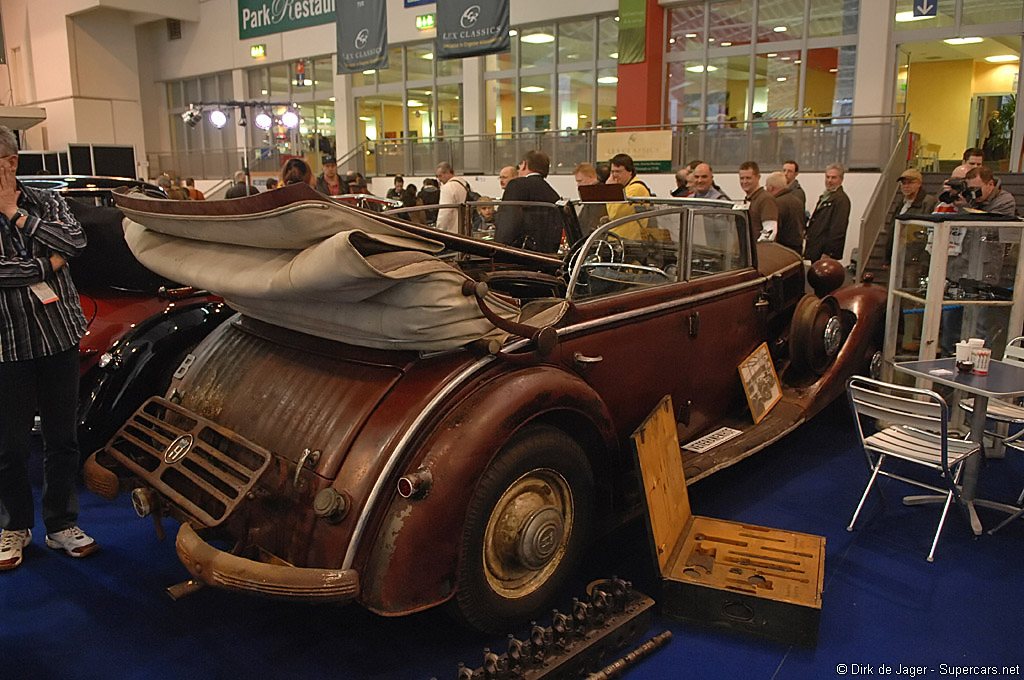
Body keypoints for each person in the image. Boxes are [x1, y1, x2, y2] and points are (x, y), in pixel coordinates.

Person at [0, 125, 98, 570]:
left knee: (63, 439)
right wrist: (46, 263)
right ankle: (14, 526)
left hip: (58, 336)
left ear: (11, 163)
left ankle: (60, 523)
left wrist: (16, 215)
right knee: (9, 447)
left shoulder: (46, 200)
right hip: (6, 346)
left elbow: (76, 242)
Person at [495, 150, 562, 253]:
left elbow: (507, 222)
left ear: (524, 165)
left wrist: (497, 250)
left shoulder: (517, 185)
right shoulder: (553, 194)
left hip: (519, 255)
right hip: (546, 256)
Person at [803, 162, 851, 262]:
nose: (829, 180)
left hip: (824, 253)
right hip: (816, 250)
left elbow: (838, 229)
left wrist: (828, 253)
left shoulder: (841, 200)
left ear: (841, 179)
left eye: (833, 178)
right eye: (827, 177)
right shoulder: (825, 197)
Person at [604, 153, 654, 240]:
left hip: (630, 242)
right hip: (617, 239)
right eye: (612, 172)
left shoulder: (636, 188)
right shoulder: (624, 188)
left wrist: (611, 189)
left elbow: (614, 214)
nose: (614, 175)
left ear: (630, 171)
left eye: (618, 171)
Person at [738, 161, 779, 243]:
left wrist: (759, 250)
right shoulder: (748, 199)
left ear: (758, 177)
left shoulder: (766, 199)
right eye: (742, 178)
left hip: (759, 253)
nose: (744, 182)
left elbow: (769, 231)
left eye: (748, 178)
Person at [765, 171, 805, 252]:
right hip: (797, 249)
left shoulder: (775, 204)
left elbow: (772, 230)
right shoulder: (797, 201)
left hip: (781, 250)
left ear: (771, 187)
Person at [573, 162, 607, 235]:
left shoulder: (597, 196)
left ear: (591, 177)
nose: (578, 185)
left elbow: (591, 223)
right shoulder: (594, 194)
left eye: (580, 181)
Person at [435, 161, 468, 234]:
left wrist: (439, 230)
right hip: (466, 229)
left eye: (440, 176)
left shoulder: (448, 187)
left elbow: (445, 212)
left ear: (447, 172)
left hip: (453, 230)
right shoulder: (465, 184)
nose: (439, 180)